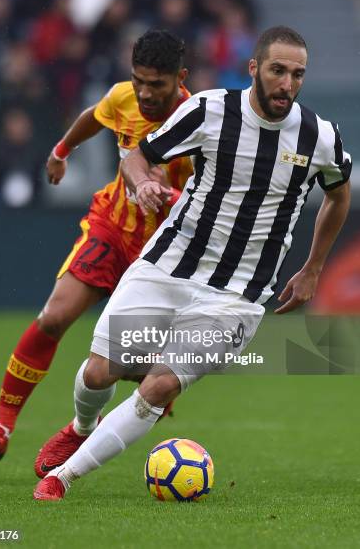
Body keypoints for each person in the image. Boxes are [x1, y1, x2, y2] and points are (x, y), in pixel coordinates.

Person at [32, 25, 351, 501]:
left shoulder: (318, 136)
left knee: (159, 385)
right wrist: (142, 184)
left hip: (236, 297)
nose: (287, 83)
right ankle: (82, 425)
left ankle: (62, 478)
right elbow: (138, 156)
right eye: (278, 70)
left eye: (297, 74)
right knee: (100, 372)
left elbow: (338, 194)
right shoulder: (209, 110)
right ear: (254, 68)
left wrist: (313, 267)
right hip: (167, 266)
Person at [0, 30, 194, 469]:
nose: (144, 93)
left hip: (164, 249)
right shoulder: (123, 97)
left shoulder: (201, 120)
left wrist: (172, 198)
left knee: (138, 366)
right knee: (54, 316)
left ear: (179, 78)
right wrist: (61, 150)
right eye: (138, 80)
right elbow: (96, 114)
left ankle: (105, 414)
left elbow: (214, 196)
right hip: (112, 225)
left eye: (156, 84)